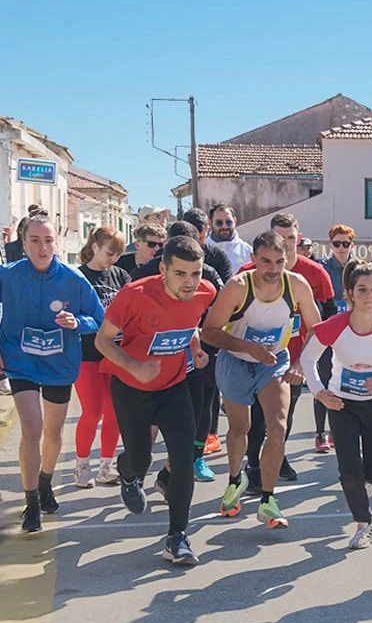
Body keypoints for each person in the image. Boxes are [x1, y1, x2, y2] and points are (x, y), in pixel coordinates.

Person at [96, 236, 215, 564]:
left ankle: (177, 538)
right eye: (180, 274)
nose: (190, 282)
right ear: (163, 269)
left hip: (174, 386)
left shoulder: (206, 292)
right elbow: (102, 340)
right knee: (140, 458)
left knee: (183, 458)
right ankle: (128, 473)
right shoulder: (134, 295)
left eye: (196, 273)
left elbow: (189, 323)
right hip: (132, 388)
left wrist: (195, 348)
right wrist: (134, 366)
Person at [202, 231, 321, 528]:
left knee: (278, 427)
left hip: (273, 363)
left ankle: (268, 499)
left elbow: (318, 330)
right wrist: (248, 347)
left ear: (288, 260)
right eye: (265, 261)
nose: (273, 269)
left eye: (279, 261)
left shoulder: (296, 285)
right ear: (253, 259)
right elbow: (210, 332)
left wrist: (300, 364)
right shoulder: (238, 287)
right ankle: (234, 480)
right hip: (236, 362)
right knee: (240, 427)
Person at [2, 216, 103, 532]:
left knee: (54, 433)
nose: (42, 248)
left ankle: (46, 480)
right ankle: (31, 502)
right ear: (23, 242)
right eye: (34, 240)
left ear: (56, 241)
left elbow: (97, 318)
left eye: (47, 240)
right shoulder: (8, 276)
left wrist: (78, 323)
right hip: (22, 360)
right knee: (32, 428)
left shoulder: (74, 279)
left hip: (59, 362)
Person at [302, 260, 372, 549]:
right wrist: (320, 393)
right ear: (350, 294)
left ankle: (364, 489)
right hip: (342, 404)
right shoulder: (334, 326)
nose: (369, 295)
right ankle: (364, 523)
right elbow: (308, 360)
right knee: (349, 470)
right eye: (362, 289)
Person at [238, 213, 337, 488]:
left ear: (299, 237)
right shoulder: (247, 272)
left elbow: (325, 322)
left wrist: (303, 363)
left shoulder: (315, 273)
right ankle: (254, 465)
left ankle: (276, 457)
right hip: (254, 358)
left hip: (293, 357)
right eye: (280, 239)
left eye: (291, 238)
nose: (287, 244)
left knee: (283, 416)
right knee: (257, 417)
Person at [73, 227, 131, 489]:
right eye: (110, 253)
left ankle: (106, 466)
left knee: (115, 412)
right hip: (87, 354)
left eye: (118, 254)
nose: (114, 259)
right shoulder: (78, 277)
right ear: (95, 247)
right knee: (92, 411)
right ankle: (82, 466)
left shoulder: (120, 275)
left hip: (116, 354)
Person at [315, 223, 356, 453]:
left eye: (346, 244)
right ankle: (320, 433)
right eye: (337, 243)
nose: (341, 248)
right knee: (324, 382)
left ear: (352, 245)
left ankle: (338, 431)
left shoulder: (358, 269)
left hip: (351, 334)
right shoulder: (323, 268)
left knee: (345, 383)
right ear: (330, 245)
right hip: (328, 333)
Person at [181, 208, 233, 284]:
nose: (196, 244)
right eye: (192, 239)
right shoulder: (167, 256)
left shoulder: (219, 257)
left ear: (208, 227)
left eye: (200, 238)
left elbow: (228, 290)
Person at [208, 203, 252, 275]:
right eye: (219, 223)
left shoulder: (248, 252)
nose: (225, 227)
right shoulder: (202, 250)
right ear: (210, 223)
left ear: (234, 221)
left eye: (229, 222)